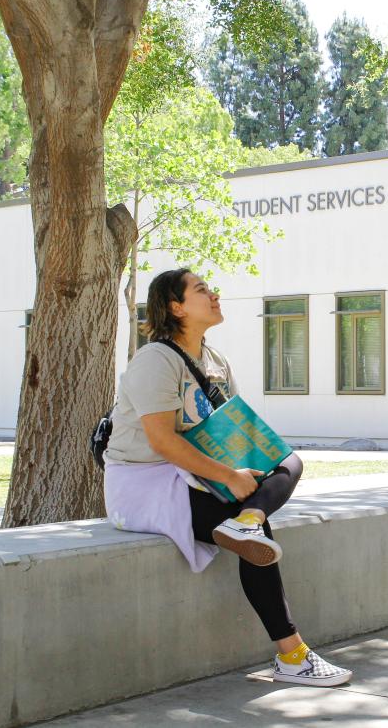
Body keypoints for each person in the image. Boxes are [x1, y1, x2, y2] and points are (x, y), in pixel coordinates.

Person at [103, 268, 351, 687]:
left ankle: (247, 521)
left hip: (197, 471)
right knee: (256, 524)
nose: (213, 295)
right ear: (176, 306)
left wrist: (255, 462)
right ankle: (292, 655)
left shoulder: (216, 361)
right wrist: (230, 478)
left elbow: (232, 429)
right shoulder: (154, 361)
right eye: (201, 290)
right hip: (145, 482)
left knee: (289, 463)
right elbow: (162, 442)